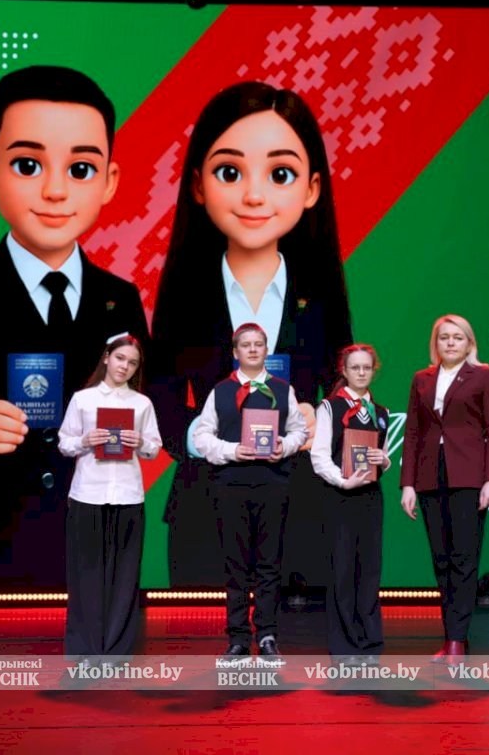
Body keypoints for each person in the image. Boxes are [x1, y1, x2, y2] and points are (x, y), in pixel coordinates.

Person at [0, 65, 149, 592]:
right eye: (27, 165)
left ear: (109, 181)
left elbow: (143, 392)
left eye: (81, 169)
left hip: (98, 531)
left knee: (103, 644)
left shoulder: (121, 299)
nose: (54, 190)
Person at [148, 81, 352, 588]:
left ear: (311, 189)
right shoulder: (185, 295)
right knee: (207, 639)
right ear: (198, 185)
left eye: (280, 174)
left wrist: (320, 419)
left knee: (301, 638)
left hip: (303, 512)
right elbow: (161, 401)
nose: (254, 195)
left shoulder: (320, 294)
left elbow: (343, 389)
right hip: (205, 511)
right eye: (229, 172)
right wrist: (209, 439)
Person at [192, 323, 308, 665]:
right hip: (230, 484)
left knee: (270, 563)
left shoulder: (283, 389)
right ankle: (238, 639)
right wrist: (232, 450)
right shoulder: (221, 391)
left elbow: (299, 431)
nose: (253, 350)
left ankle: (268, 636)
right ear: (235, 352)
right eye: (246, 345)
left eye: (259, 344)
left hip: (273, 483)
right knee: (236, 564)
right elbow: (201, 437)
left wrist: (285, 446)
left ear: (266, 350)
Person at [400, 314, 489, 663]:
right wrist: (408, 483)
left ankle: (457, 639)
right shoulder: (422, 379)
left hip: (469, 476)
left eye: (458, 337)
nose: (450, 343)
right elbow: (413, 432)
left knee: (464, 558)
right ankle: (451, 636)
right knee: (441, 559)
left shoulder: (484, 376)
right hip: (430, 476)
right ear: (436, 343)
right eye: (444, 337)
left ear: (469, 343)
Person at [57, 334, 161, 662]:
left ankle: (117, 651)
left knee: (125, 578)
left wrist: (140, 441)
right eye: (120, 359)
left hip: (128, 496)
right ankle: (85, 650)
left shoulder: (141, 404)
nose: (124, 367)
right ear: (106, 357)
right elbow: (64, 443)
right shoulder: (83, 399)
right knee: (86, 575)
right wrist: (85, 440)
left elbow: (154, 448)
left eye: (132, 363)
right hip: (88, 495)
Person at [310, 344, 392, 664]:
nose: (361, 373)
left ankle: (370, 644)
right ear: (344, 371)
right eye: (355, 367)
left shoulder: (381, 412)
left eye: (366, 368)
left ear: (374, 371)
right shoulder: (330, 408)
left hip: (371, 497)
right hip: (340, 497)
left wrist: (384, 461)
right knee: (342, 571)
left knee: (369, 572)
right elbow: (319, 457)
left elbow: (382, 456)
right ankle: (344, 647)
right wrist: (343, 481)